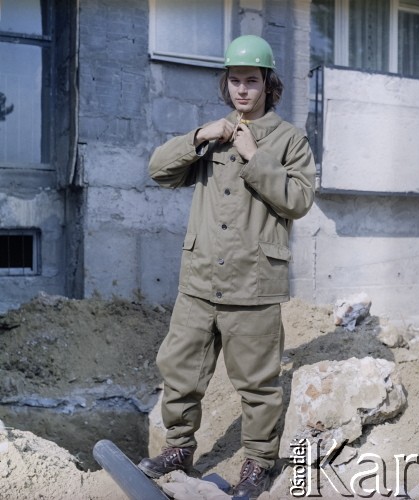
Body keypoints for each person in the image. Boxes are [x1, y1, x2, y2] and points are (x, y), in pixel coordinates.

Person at [138, 34, 316, 498]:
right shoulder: (212, 137)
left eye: (251, 81)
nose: (242, 89)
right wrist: (200, 136)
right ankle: (179, 448)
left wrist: (255, 156)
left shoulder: (289, 139)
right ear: (226, 85)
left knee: (257, 385)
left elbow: (298, 200)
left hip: (253, 284)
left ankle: (258, 463)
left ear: (268, 85)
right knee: (178, 370)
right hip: (200, 279)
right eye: (234, 80)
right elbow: (158, 170)